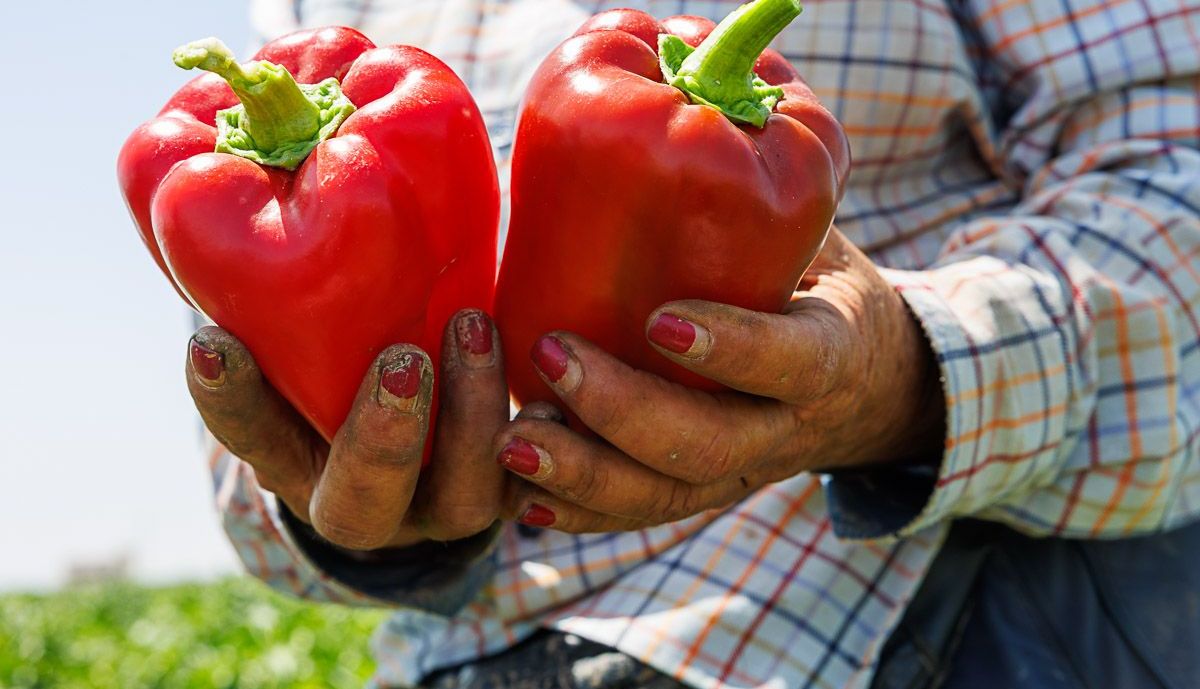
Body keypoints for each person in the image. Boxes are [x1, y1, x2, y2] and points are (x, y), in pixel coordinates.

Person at [186, 1, 1200, 687]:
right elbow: (255, 350)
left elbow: (1175, 166)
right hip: (466, 654)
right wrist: (353, 504)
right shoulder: (248, 103)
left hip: (927, 613)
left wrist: (905, 376)